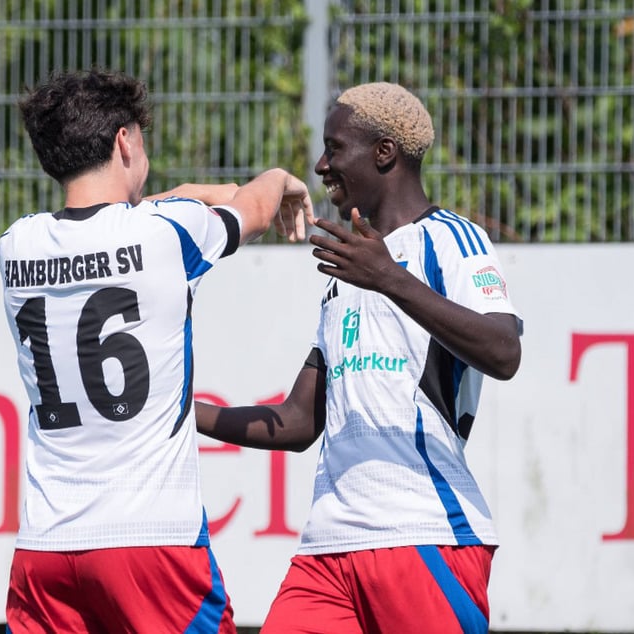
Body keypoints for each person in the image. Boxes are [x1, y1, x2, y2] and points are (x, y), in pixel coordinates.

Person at [195, 82, 523, 634]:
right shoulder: (348, 274)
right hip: (328, 550)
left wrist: (389, 279)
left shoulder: (450, 241)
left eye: (335, 147)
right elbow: (299, 422)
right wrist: (180, 411)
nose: (322, 165)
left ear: (384, 153)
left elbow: (504, 350)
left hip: (423, 534)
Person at [0, 68, 313, 634]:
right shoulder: (167, 234)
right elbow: (255, 210)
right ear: (124, 140)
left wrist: (185, 196)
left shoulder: (16, 245)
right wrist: (279, 176)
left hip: (45, 548)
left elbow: (148, 210)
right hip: (150, 545)